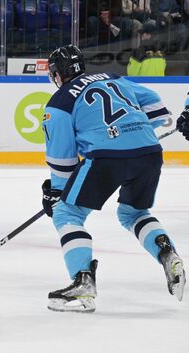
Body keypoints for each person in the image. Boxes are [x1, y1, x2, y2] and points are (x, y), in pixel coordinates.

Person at [41, 44, 186, 313]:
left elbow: (63, 161)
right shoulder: (113, 78)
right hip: (149, 151)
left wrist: (56, 193)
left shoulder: (59, 102)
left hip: (107, 156)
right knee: (133, 213)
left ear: (57, 73)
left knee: (66, 214)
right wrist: (132, 131)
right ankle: (167, 252)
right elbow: (156, 105)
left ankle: (83, 282)